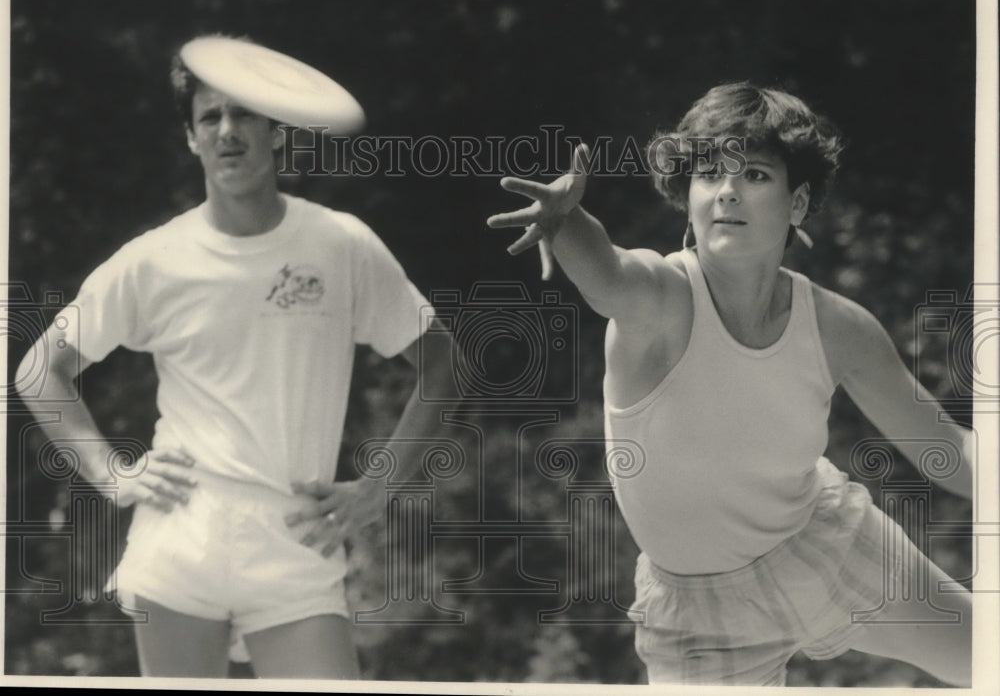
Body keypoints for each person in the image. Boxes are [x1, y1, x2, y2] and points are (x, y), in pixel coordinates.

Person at [487, 82, 974, 687]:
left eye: (756, 176)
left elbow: (950, 452)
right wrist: (567, 223)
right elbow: (607, 277)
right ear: (687, 195)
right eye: (709, 173)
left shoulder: (839, 327)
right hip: (701, 617)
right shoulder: (660, 298)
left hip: (827, 540)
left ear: (797, 203)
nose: (727, 192)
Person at [16, 38, 456, 678]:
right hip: (180, 543)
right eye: (209, 118)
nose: (227, 132)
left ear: (276, 128)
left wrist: (380, 487)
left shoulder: (341, 244)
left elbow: (444, 365)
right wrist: (110, 473)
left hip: (298, 542)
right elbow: (38, 369)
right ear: (191, 139)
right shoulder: (154, 259)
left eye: (244, 114)